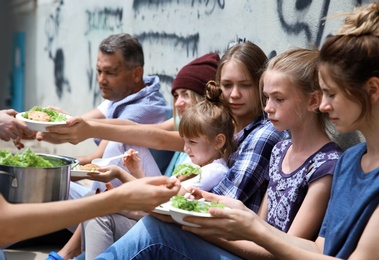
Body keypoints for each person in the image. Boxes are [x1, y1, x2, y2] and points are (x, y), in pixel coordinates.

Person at [97, 3, 379, 259]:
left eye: (332, 93)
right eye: (266, 97)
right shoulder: (343, 159)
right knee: (144, 226)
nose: (325, 105)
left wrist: (242, 227)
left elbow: (287, 243)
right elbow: (313, 245)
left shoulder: (325, 161)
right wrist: (239, 215)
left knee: (153, 233)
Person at [47, 41, 288, 213]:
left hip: (201, 223)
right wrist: (88, 127)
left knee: (102, 210)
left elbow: (218, 204)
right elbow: (151, 134)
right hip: (179, 209)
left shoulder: (261, 134)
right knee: (95, 205)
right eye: (227, 85)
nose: (234, 95)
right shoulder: (221, 122)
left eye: (244, 85)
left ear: (261, 85)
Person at [51, 52, 220, 260]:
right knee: (89, 202)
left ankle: (70, 253)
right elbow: (136, 128)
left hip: (165, 221)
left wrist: (91, 133)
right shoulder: (185, 128)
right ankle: (73, 253)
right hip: (155, 207)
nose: (178, 103)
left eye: (186, 94)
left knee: (91, 199)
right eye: (176, 95)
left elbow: (154, 138)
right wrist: (70, 124)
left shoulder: (206, 143)